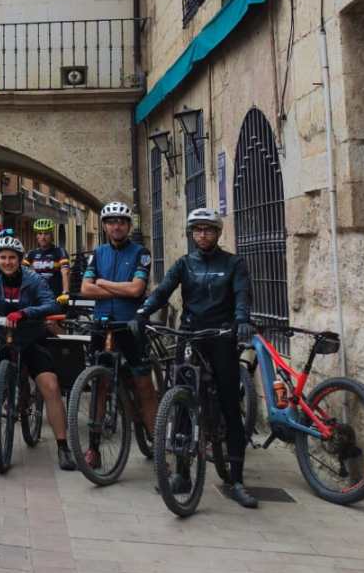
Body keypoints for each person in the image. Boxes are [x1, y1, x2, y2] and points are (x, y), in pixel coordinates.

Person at [133, 207, 258, 509]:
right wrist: (143, 311)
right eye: (198, 230)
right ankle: (182, 473)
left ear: (217, 233)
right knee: (181, 403)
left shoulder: (234, 263)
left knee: (229, 404)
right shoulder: (184, 264)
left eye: (208, 229)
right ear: (191, 234)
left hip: (221, 335)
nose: (203, 235)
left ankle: (237, 480)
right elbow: (163, 291)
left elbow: (242, 295)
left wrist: (242, 320)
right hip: (189, 335)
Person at [0, 236, 75, 469]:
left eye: (12, 258)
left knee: (51, 387)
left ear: (20, 259)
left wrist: (25, 313)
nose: (7, 262)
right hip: (4, 340)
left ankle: (63, 446)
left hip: (32, 340)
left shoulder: (33, 279)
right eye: (3, 257)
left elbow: (52, 304)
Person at [78, 201, 159, 443]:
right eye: (112, 222)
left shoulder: (141, 253)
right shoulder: (98, 254)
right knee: (99, 383)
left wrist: (102, 283)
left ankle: (157, 440)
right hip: (102, 324)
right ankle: (94, 447)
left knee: (143, 383)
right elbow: (85, 289)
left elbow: (136, 289)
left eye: (121, 222)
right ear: (104, 226)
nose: (116, 226)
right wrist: (120, 289)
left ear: (128, 226)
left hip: (130, 324)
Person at [26, 218, 72, 297]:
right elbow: (21, 272)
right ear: (37, 236)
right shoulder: (31, 253)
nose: (43, 237)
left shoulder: (60, 252)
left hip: (55, 296)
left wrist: (66, 292)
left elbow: (65, 273)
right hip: (36, 296)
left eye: (46, 234)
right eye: (40, 234)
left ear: (52, 235)